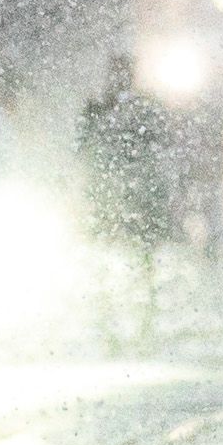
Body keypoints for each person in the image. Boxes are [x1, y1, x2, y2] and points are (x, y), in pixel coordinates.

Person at [76, 53, 180, 339]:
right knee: (117, 257)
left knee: (136, 258)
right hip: (116, 192)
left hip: (127, 192)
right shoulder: (109, 107)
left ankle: (135, 317)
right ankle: (119, 316)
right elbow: (82, 149)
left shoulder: (133, 108)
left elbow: (161, 143)